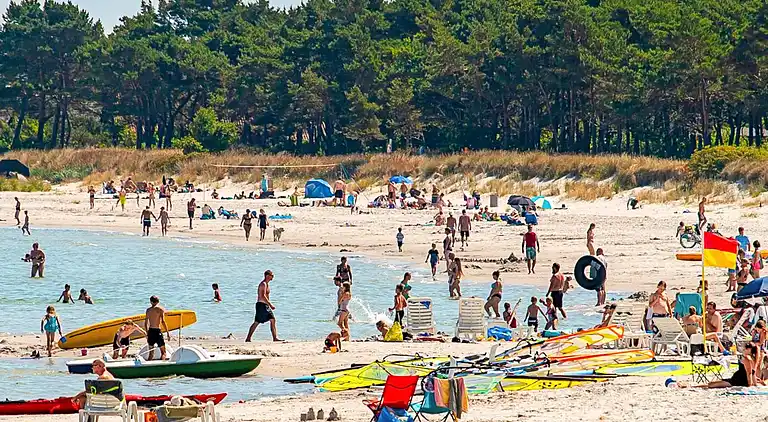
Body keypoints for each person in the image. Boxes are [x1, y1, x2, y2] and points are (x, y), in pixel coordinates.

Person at [678, 342, 762, 388]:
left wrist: (750, 385)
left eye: (746, 348)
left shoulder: (747, 358)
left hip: (737, 381)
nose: (744, 349)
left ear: (749, 349)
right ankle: (691, 385)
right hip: (737, 380)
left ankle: (691, 386)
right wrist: (754, 384)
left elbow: (749, 373)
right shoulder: (752, 358)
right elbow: (752, 372)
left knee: (711, 384)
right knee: (711, 384)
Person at [246, 270, 283, 342]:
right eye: (271, 275)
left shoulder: (267, 284)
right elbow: (262, 296)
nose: (273, 277)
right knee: (257, 321)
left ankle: (275, 338)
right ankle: (248, 338)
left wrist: (268, 305)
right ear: (267, 276)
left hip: (264, 305)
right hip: (261, 305)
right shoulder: (263, 284)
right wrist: (270, 305)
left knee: (272, 320)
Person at [145, 295, 171, 360]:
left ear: (150, 302)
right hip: (157, 331)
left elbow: (145, 324)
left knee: (151, 353)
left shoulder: (148, 310)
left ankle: (148, 367)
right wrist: (168, 333)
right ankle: (162, 367)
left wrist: (147, 333)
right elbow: (163, 321)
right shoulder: (160, 309)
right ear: (158, 301)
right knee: (163, 352)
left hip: (151, 331)